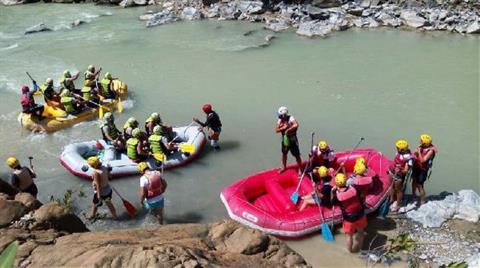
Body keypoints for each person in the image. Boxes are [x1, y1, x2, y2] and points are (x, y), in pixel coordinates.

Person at [332, 173, 367, 253]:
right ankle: (361, 248)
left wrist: (333, 192)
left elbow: (333, 203)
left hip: (349, 219)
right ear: (345, 181)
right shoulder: (354, 189)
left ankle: (349, 251)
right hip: (360, 214)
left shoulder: (337, 196)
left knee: (349, 236)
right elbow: (361, 197)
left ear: (336, 183)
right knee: (361, 232)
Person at [412, 134, 438, 206]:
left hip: (422, 169)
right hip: (416, 166)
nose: (419, 141)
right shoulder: (421, 147)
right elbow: (415, 154)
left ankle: (422, 201)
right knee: (414, 181)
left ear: (424, 143)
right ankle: (413, 195)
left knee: (420, 185)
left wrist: (419, 152)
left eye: (421, 140)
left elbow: (423, 160)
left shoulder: (431, 151)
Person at [275, 106, 302, 174]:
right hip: (285, 140)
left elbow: (296, 125)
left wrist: (288, 129)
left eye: (281, 115)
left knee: (297, 155)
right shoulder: (280, 120)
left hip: (293, 140)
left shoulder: (291, 118)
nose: (280, 116)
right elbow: (276, 130)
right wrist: (283, 128)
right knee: (284, 154)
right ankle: (284, 167)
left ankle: (300, 169)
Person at [388, 139, 413, 212]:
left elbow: (406, 170)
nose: (396, 148)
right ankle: (392, 199)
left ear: (401, 149)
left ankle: (398, 204)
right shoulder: (399, 153)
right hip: (392, 172)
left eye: (397, 147)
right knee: (392, 187)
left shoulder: (408, 158)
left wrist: (400, 170)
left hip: (399, 176)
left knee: (398, 190)